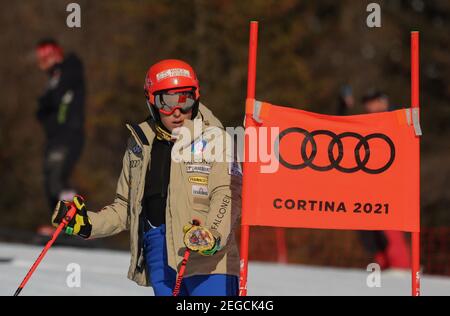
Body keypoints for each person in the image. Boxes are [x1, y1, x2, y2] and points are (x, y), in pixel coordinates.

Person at [51, 59, 242, 296]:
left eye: (186, 100)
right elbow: (125, 207)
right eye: (166, 102)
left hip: (207, 259)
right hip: (158, 253)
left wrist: (211, 235)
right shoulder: (140, 145)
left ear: (197, 97)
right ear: (152, 101)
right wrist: (87, 223)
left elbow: (228, 193)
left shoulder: (216, 139)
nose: (177, 111)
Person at [359, 90, 410, 269]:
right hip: (370, 187)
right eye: (367, 102)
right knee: (371, 235)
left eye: (372, 102)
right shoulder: (368, 123)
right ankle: (384, 266)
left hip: (390, 187)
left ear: (383, 101)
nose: (369, 106)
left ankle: (400, 268)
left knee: (390, 231)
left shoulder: (395, 121)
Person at [35, 38, 85, 218]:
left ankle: (76, 222)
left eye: (47, 55)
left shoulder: (70, 67)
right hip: (55, 138)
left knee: (57, 178)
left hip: (69, 135)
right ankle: (62, 225)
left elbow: (54, 99)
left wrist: (46, 102)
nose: (44, 60)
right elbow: (41, 111)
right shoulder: (52, 81)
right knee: (49, 181)